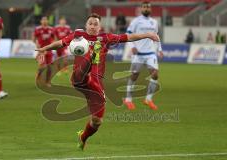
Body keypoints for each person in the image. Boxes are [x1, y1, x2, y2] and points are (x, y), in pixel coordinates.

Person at [35, 13, 159, 150]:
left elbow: (128, 37)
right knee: (84, 72)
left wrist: (147, 34)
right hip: (80, 79)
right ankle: (91, 57)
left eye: (95, 24)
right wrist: (45, 48)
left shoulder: (106, 38)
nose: (93, 26)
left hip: (96, 84)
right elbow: (60, 43)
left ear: (100, 27)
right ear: (86, 25)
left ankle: (83, 137)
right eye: (90, 23)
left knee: (97, 121)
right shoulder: (78, 36)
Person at [123, 1, 163, 110]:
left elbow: (156, 36)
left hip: (150, 53)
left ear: (150, 9)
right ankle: (128, 99)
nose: (146, 8)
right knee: (134, 76)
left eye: (148, 7)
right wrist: (132, 47)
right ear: (141, 9)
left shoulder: (154, 22)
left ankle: (148, 99)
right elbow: (128, 35)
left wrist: (159, 49)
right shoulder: (136, 21)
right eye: (144, 7)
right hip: (138, 54)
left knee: (155, 74)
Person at [33, 16, 55, 87]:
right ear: (41, 21)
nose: (45, 21)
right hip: (41, 50)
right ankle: (38, 77)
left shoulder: (51, 29)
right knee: (42, 67)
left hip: (49, 51)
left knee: (50, 68)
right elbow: (33, 39)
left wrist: (52, 46)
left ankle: (47, 82)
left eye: (46, 20)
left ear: (48, 21)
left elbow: (55, 39)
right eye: (43, 20)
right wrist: (38, 47)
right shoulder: (37, 29)